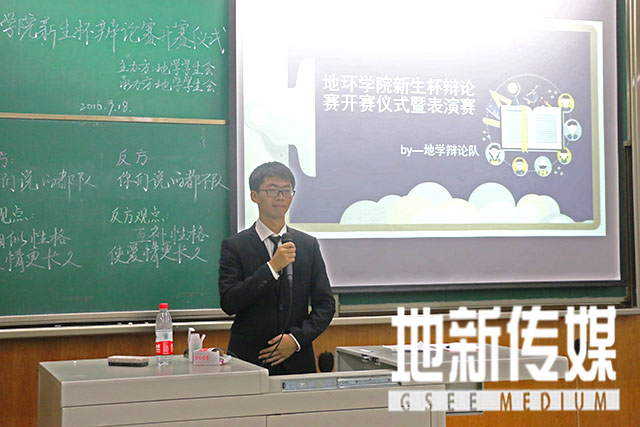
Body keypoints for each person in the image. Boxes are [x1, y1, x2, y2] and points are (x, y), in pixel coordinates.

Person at [218, 161, 335, 375]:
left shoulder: (307, 245)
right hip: (250, 360)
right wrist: (271, 268)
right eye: (272, 190)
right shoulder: (235, 246)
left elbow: (325, 305)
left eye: (286, 190)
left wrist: (296, 339)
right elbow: (229, 302)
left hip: (297, 361)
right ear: (254, 196)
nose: (280, 197)